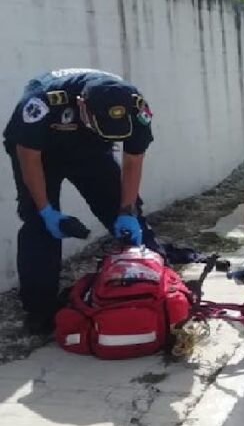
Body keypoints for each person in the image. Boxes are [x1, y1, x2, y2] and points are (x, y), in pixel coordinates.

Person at [3, 68, 162, 334]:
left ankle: (155, 287)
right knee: (39, 228)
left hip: (91, 150)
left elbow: (133, 161)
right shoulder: (42, 102)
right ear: (81, 105)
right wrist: (46, 211)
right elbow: (28, 157)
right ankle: (40, 310)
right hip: (40, 152)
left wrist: (126, 210)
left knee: (127, 218)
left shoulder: (135, 108)